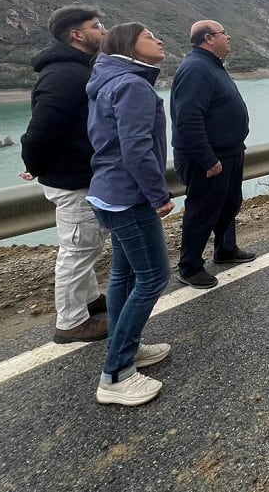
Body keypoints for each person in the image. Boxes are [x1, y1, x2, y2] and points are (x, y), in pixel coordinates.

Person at [86, 23, 174, 406]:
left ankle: (129, 346)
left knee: (124, 274)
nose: (158, 40)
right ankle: (117, 374)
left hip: (108, 191)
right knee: (154, 276)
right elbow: (136, 149)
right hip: (130, 195)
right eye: (148, 36)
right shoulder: (133, 85)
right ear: (130, 48)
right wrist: (159, 195)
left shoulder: (108, 80)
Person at [20, 5, 109, 344]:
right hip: (72, 180)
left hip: (80, 175)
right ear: (77, 35)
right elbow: (41, 132)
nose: (103, 30)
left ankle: (88, 300)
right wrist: (36, 165)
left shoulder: (77, 70)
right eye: (96, 26)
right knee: (77, 248)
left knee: (88, 243)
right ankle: (71, 323)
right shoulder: (64, 76)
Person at [171, 20, 256, 289]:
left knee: (229, 203)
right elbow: (188, 118)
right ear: (209, 38)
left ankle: (225, 249)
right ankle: (190, 267)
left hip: (229, 151)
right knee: (203, 210)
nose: (228, 37)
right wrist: (207, 158)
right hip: (209, 156)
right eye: (224, 33)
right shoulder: (196, 68)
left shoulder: (211, 65)